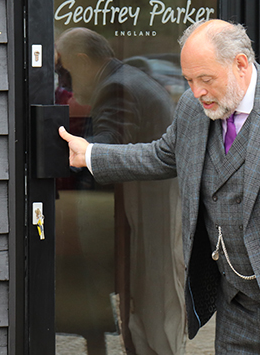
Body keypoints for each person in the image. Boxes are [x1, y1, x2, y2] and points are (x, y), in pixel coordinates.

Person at [60, 19, 260, 353]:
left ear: (241, 64)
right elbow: (162, 155)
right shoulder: (192, 109)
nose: (197, 91)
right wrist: (93, 154)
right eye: (189, 80)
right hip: (236, 307)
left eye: (206, 79)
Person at [55, 28, 185, 355]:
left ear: (82, 61)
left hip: (146, 211)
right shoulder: (127, 77)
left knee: (146, 305)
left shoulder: (116, 87)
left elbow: (111, 145)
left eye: (65, 70)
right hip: (152, 204)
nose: (64, 81)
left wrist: (66, 153)